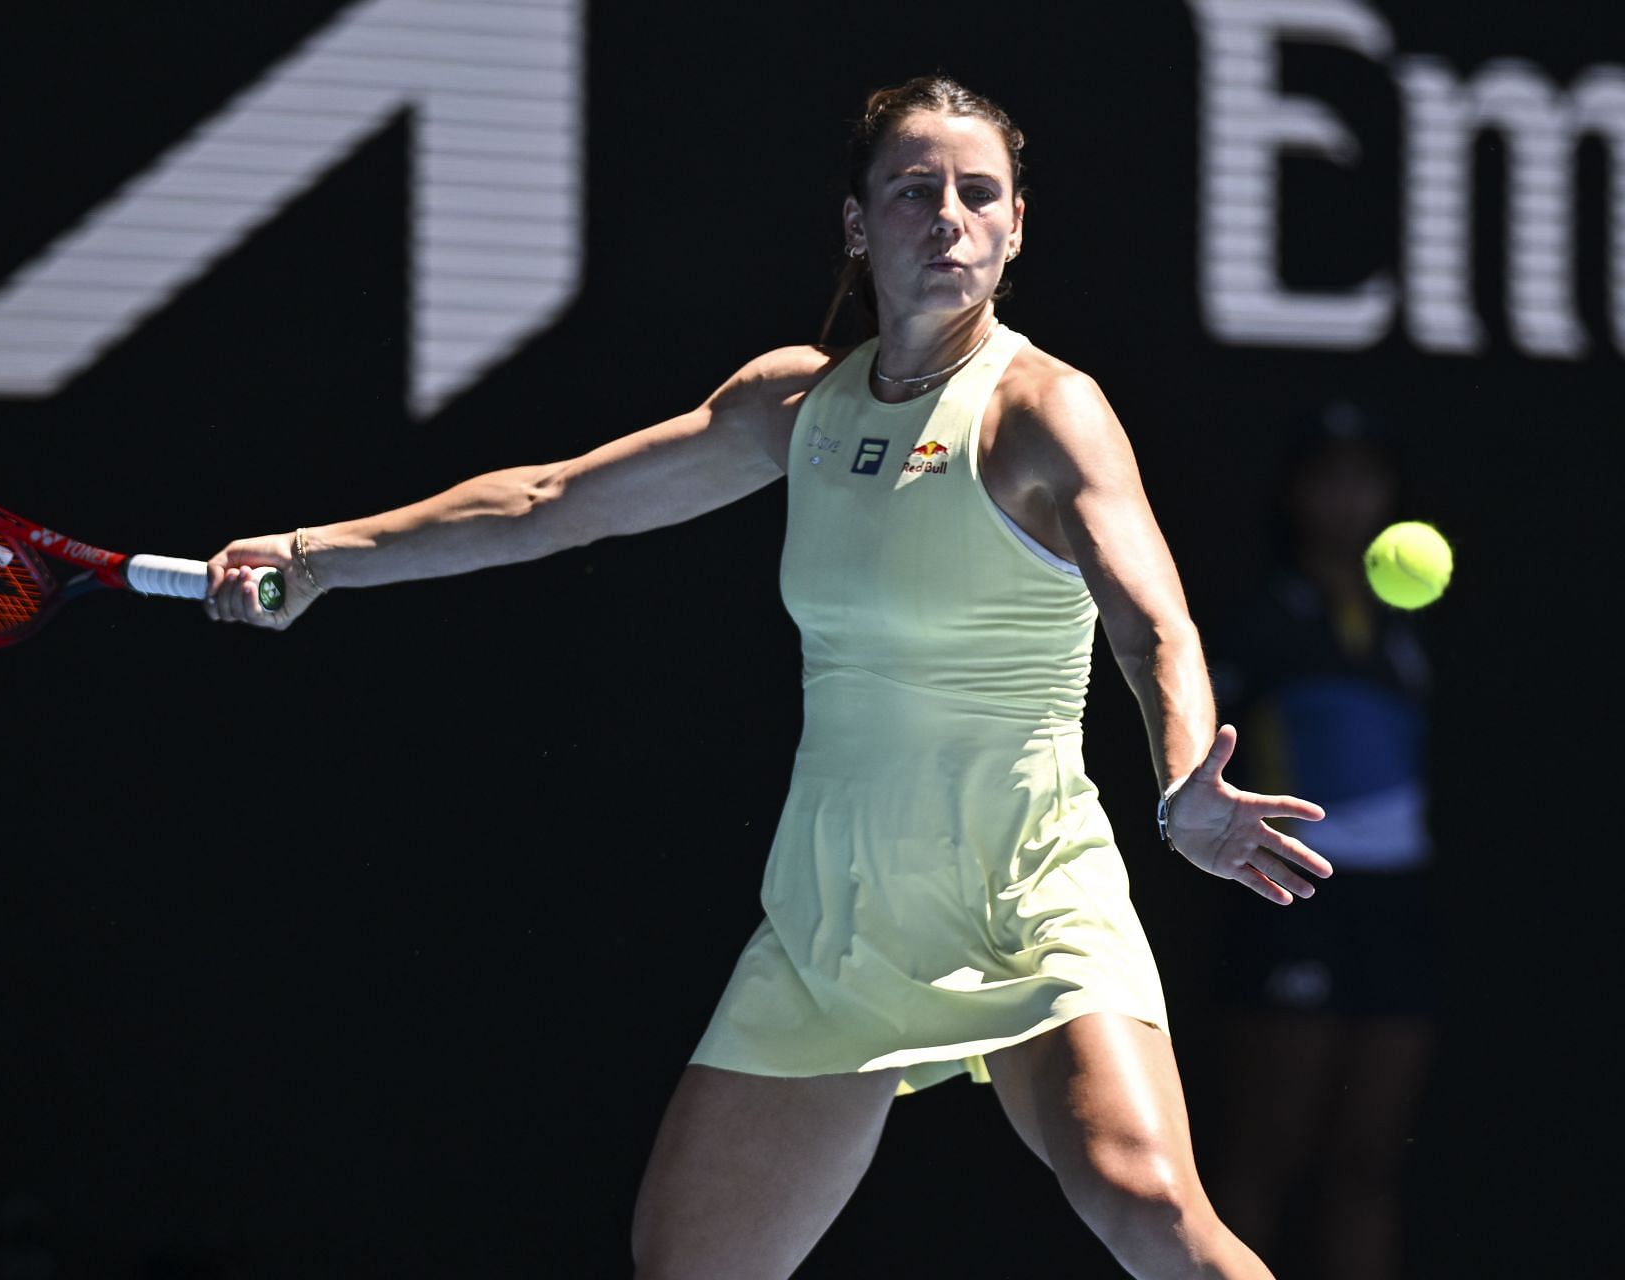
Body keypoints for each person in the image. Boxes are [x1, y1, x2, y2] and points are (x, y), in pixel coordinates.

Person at [202, 75, 1332, 1279]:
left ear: (1013, 227)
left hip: (1027, 897)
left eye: (977, 193)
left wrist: (1181, 783)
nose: (945, 216)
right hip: (830, 921)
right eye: (911, 190)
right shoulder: (794, 402)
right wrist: (322, 556)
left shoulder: (1045, 410)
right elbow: (550, 502)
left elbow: (1151, 620)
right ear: (858, 224)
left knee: (1151, 1209)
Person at [1199, 403, 1439, 1280]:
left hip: (1398, 906)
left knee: (1370, 1160)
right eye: (1330, 478)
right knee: (1265, 1149)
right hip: (1296, 896)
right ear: (1299, 495)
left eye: (1365, 478)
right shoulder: (1262, 620)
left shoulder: (1409, 623)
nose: (1349, 498)